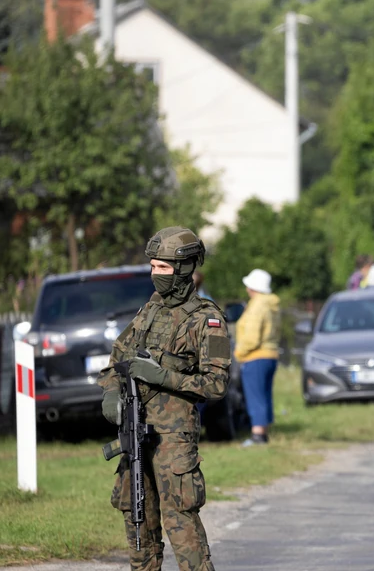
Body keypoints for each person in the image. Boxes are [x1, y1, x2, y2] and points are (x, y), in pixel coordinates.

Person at [97, 227, 230, 571]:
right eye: (153, 266)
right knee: (137, 521)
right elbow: (116, 361)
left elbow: (216, 385)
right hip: (135, 431)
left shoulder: (206, 319)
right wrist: (111, 392)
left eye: (163, 267)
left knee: (181, 524)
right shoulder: (149, 311)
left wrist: (163, 377)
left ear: (184, 269)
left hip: (174, 437)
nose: (155, 274)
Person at [234, 269, 281, 446]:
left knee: (255, 396)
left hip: (255, 356)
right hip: (270, 354)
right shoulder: (271, 304)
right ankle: (264, 432)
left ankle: (258, 435)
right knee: (264, 395)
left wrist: (238, 353)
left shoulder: (257, 305)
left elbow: (252, 337)